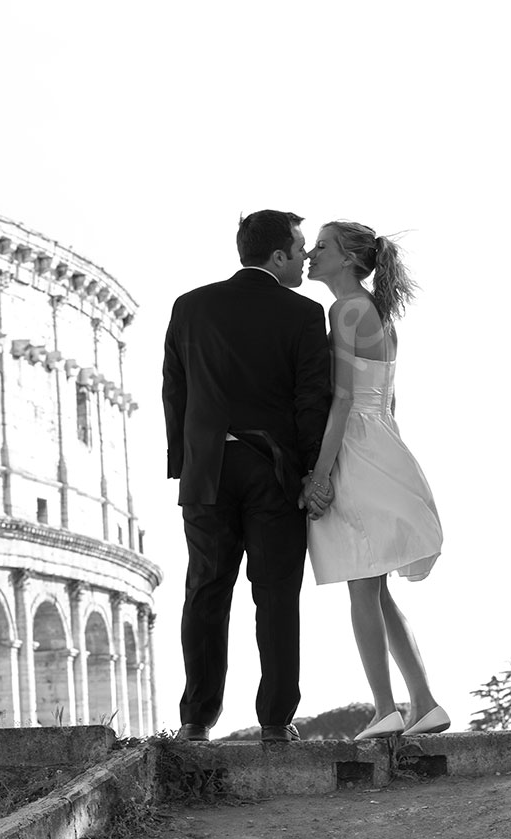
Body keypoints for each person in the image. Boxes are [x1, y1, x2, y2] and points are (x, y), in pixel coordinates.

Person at [162, 209, 332, 743]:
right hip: (273, 471)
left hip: (206, 469)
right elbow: (312, 401)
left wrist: (182, 462)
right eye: (299, 248)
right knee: (277, 593)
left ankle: (195, 720)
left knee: (205, 590)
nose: (304, 257)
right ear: (278, 255)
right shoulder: (304, 314)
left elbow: (175, 389)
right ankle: (276, 722)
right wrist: (310, 472)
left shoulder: (190, 307)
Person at [304, 220, 449, 740]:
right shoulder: (380, 313)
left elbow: (342, 399)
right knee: (378, 590)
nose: (310, 254)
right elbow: (388, 399)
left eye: (322, 247)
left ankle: (386, 708)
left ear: (347, 259)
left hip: (357, 446)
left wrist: (320, 476)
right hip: (382, 440)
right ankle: (425, 703)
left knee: (363, 586)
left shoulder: (344, 309)